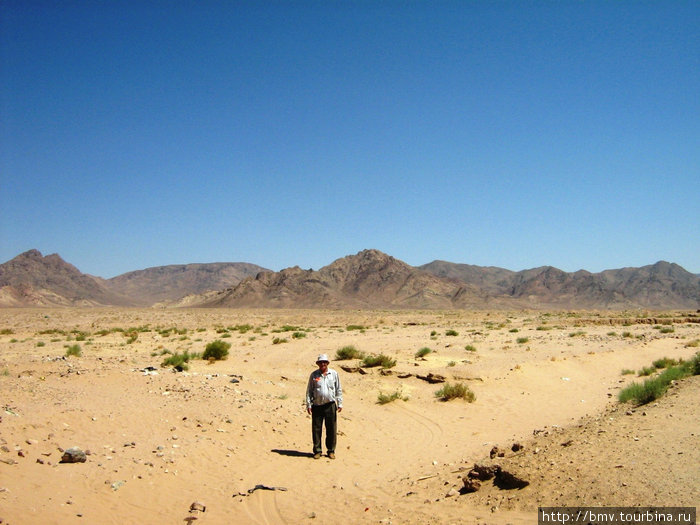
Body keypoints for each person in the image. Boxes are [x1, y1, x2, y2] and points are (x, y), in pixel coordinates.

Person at [305, 354, 343, 459]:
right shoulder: (314, 375)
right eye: (321, 362)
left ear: (327, 363)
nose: (323, 364)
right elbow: (309, 391)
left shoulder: (334, 374)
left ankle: (331, 450)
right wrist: (308, 404)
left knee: (331, 428)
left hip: (330, 405)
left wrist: (340, 403)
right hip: (317, 405)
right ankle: (317, 450)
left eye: (325, 362)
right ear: (318, 364)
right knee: (316, 429)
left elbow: (338, 389)